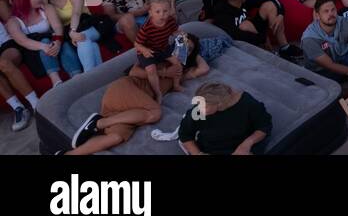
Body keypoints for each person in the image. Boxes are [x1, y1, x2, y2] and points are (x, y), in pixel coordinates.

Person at [67, 40, 209, 154]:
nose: (183, 49)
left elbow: (204, 69)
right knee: (155, 113)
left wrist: (192, 52)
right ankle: (98, 124)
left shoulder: (180, 72)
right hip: (126, 91)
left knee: (115, 138)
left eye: (188, 49)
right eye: (181, 44)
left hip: (135, 110)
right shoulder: (156, 55)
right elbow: (133, 72)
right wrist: (165, 72)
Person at [178, 81, 273, 156]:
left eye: (205, 107)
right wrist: (198, 154)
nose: (199, 109)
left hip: (240, 147)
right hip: (210, 149)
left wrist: (246, 144)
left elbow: (264, 126)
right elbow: (185, 134)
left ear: (219, 104)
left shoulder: (247, 104)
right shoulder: (198, 111)